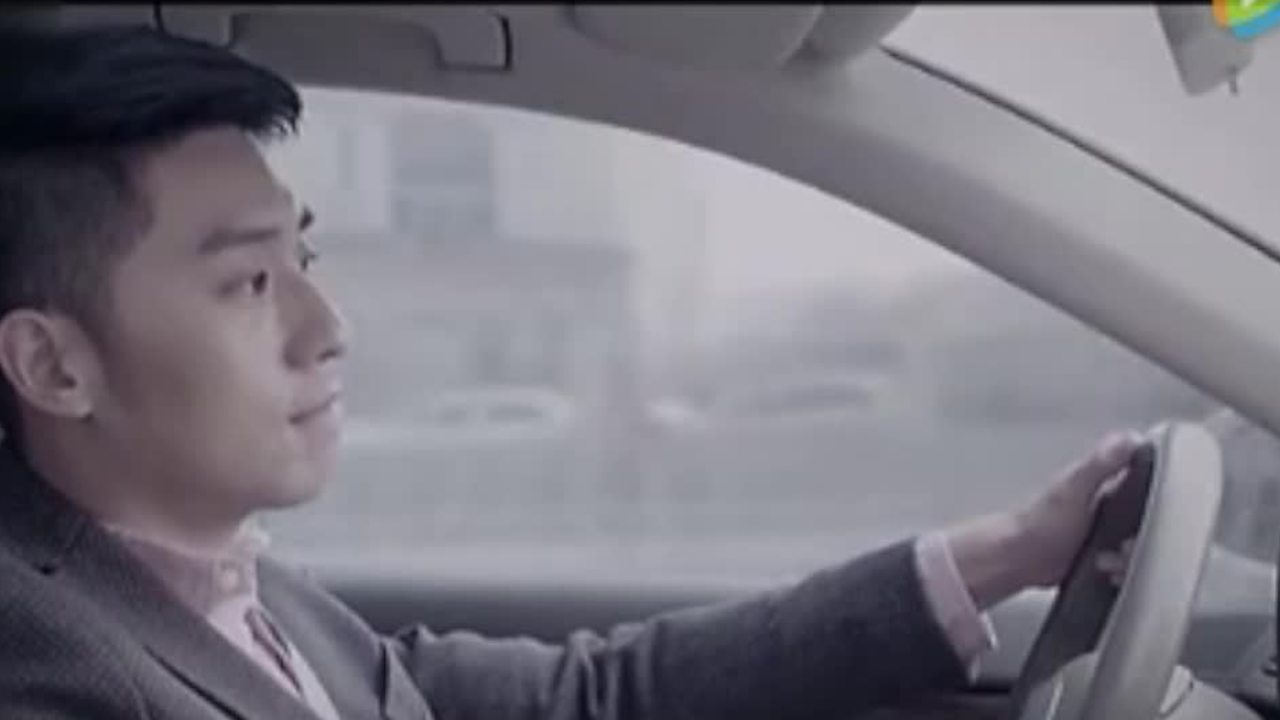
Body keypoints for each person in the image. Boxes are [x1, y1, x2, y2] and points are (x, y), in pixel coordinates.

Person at [0, 24, 1143, 720]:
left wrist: (1005, 553)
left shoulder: (242, 592)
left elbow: (591, 697)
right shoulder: (40, 661)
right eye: (250, 282)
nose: (328, 326)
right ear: (54, 364)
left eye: (305, 258)